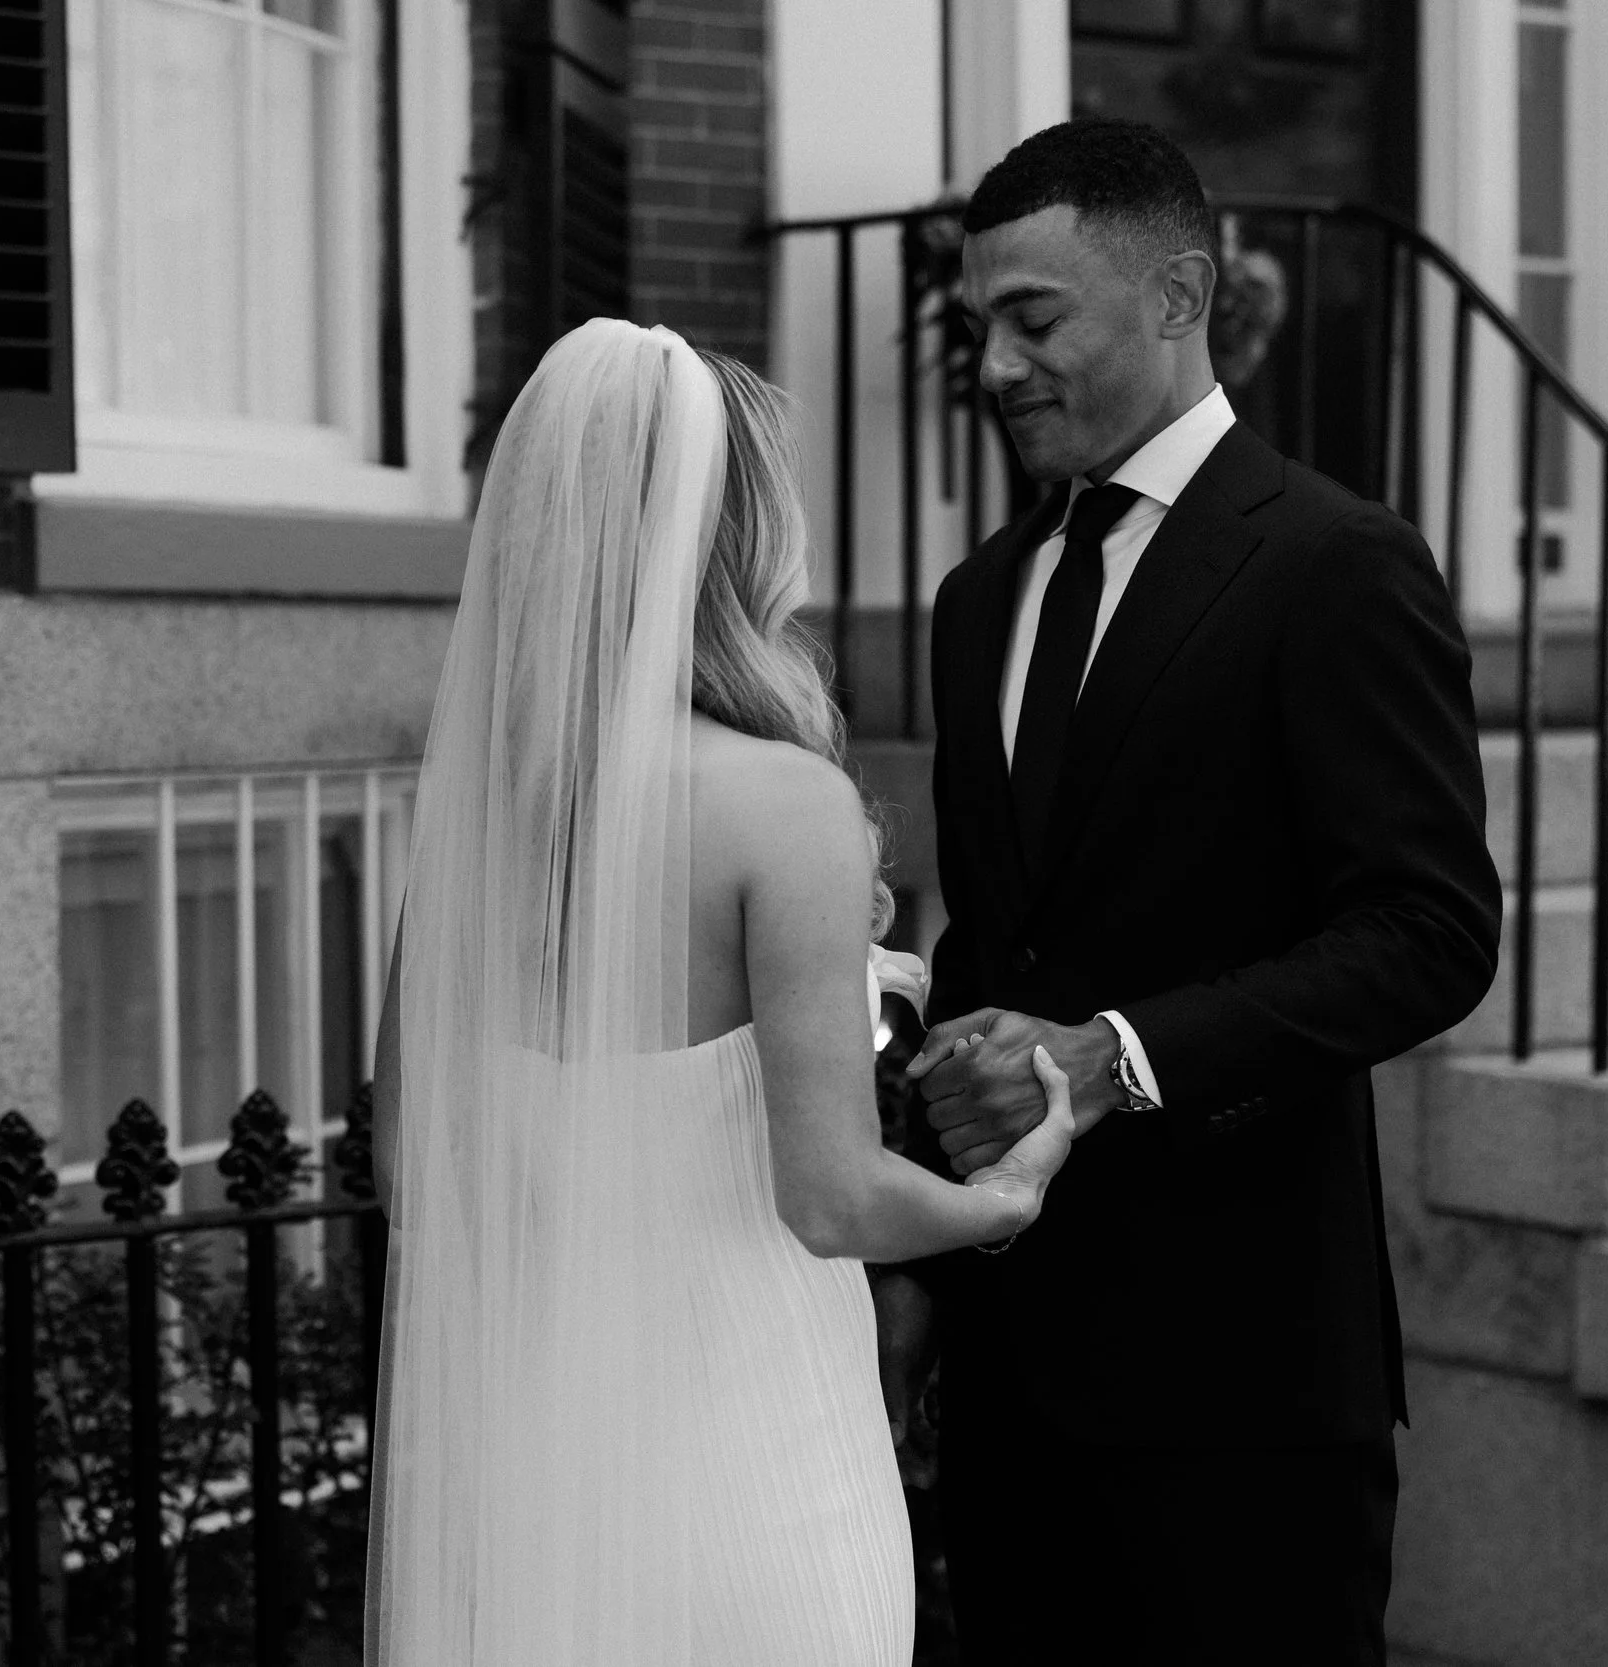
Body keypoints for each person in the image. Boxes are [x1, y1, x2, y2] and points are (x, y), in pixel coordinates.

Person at [364, 318, 1077, 1666]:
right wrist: (1007, 1196)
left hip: (537, 1475)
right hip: (758, 1447)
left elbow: (413, 1162)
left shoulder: (481, 818)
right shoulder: (780, 805)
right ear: (737, 538)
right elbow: (833, 1196)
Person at [888, 118, 1503, 1665]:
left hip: (1247, 1393)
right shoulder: (977, 601)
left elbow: (1431, 931)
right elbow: (1002, 933)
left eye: (1034, 320)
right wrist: (918, 1134)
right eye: (981, 331)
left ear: (1179, 296)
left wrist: (1124, 1055)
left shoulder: (1339, 564)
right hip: (1014, 1373)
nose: (999, 368)